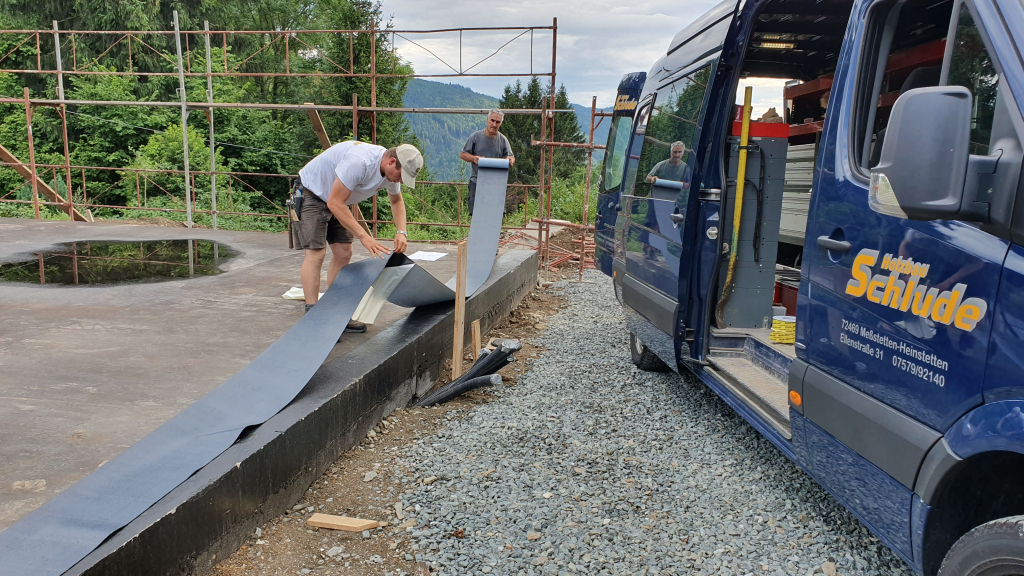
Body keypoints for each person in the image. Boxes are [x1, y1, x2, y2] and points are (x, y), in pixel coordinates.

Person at [293, 141, 423, 333]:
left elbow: (396, 201)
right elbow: (334, 202)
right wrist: (364, 236)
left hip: (337, 198)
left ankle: (336, 311)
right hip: (312, 193)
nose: (400, 181)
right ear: (391, 161)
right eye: (401, 176)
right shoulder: (360, 162)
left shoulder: (390, 174)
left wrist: (401, 232)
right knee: (316, 254)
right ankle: (314, 315)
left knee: (344, 252)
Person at [460, 109, 515, 215]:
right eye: (492, 120)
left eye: (497, 122)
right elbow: (463, 154)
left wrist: (510, 160)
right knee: (476, 214)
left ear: (500, 124)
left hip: (496, 183)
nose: (494, 124)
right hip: (476, 182)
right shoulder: (475, 137)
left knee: (496, 214)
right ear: (487, 120)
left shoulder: (503, 140)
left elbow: (510, 156)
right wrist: (474, 158)